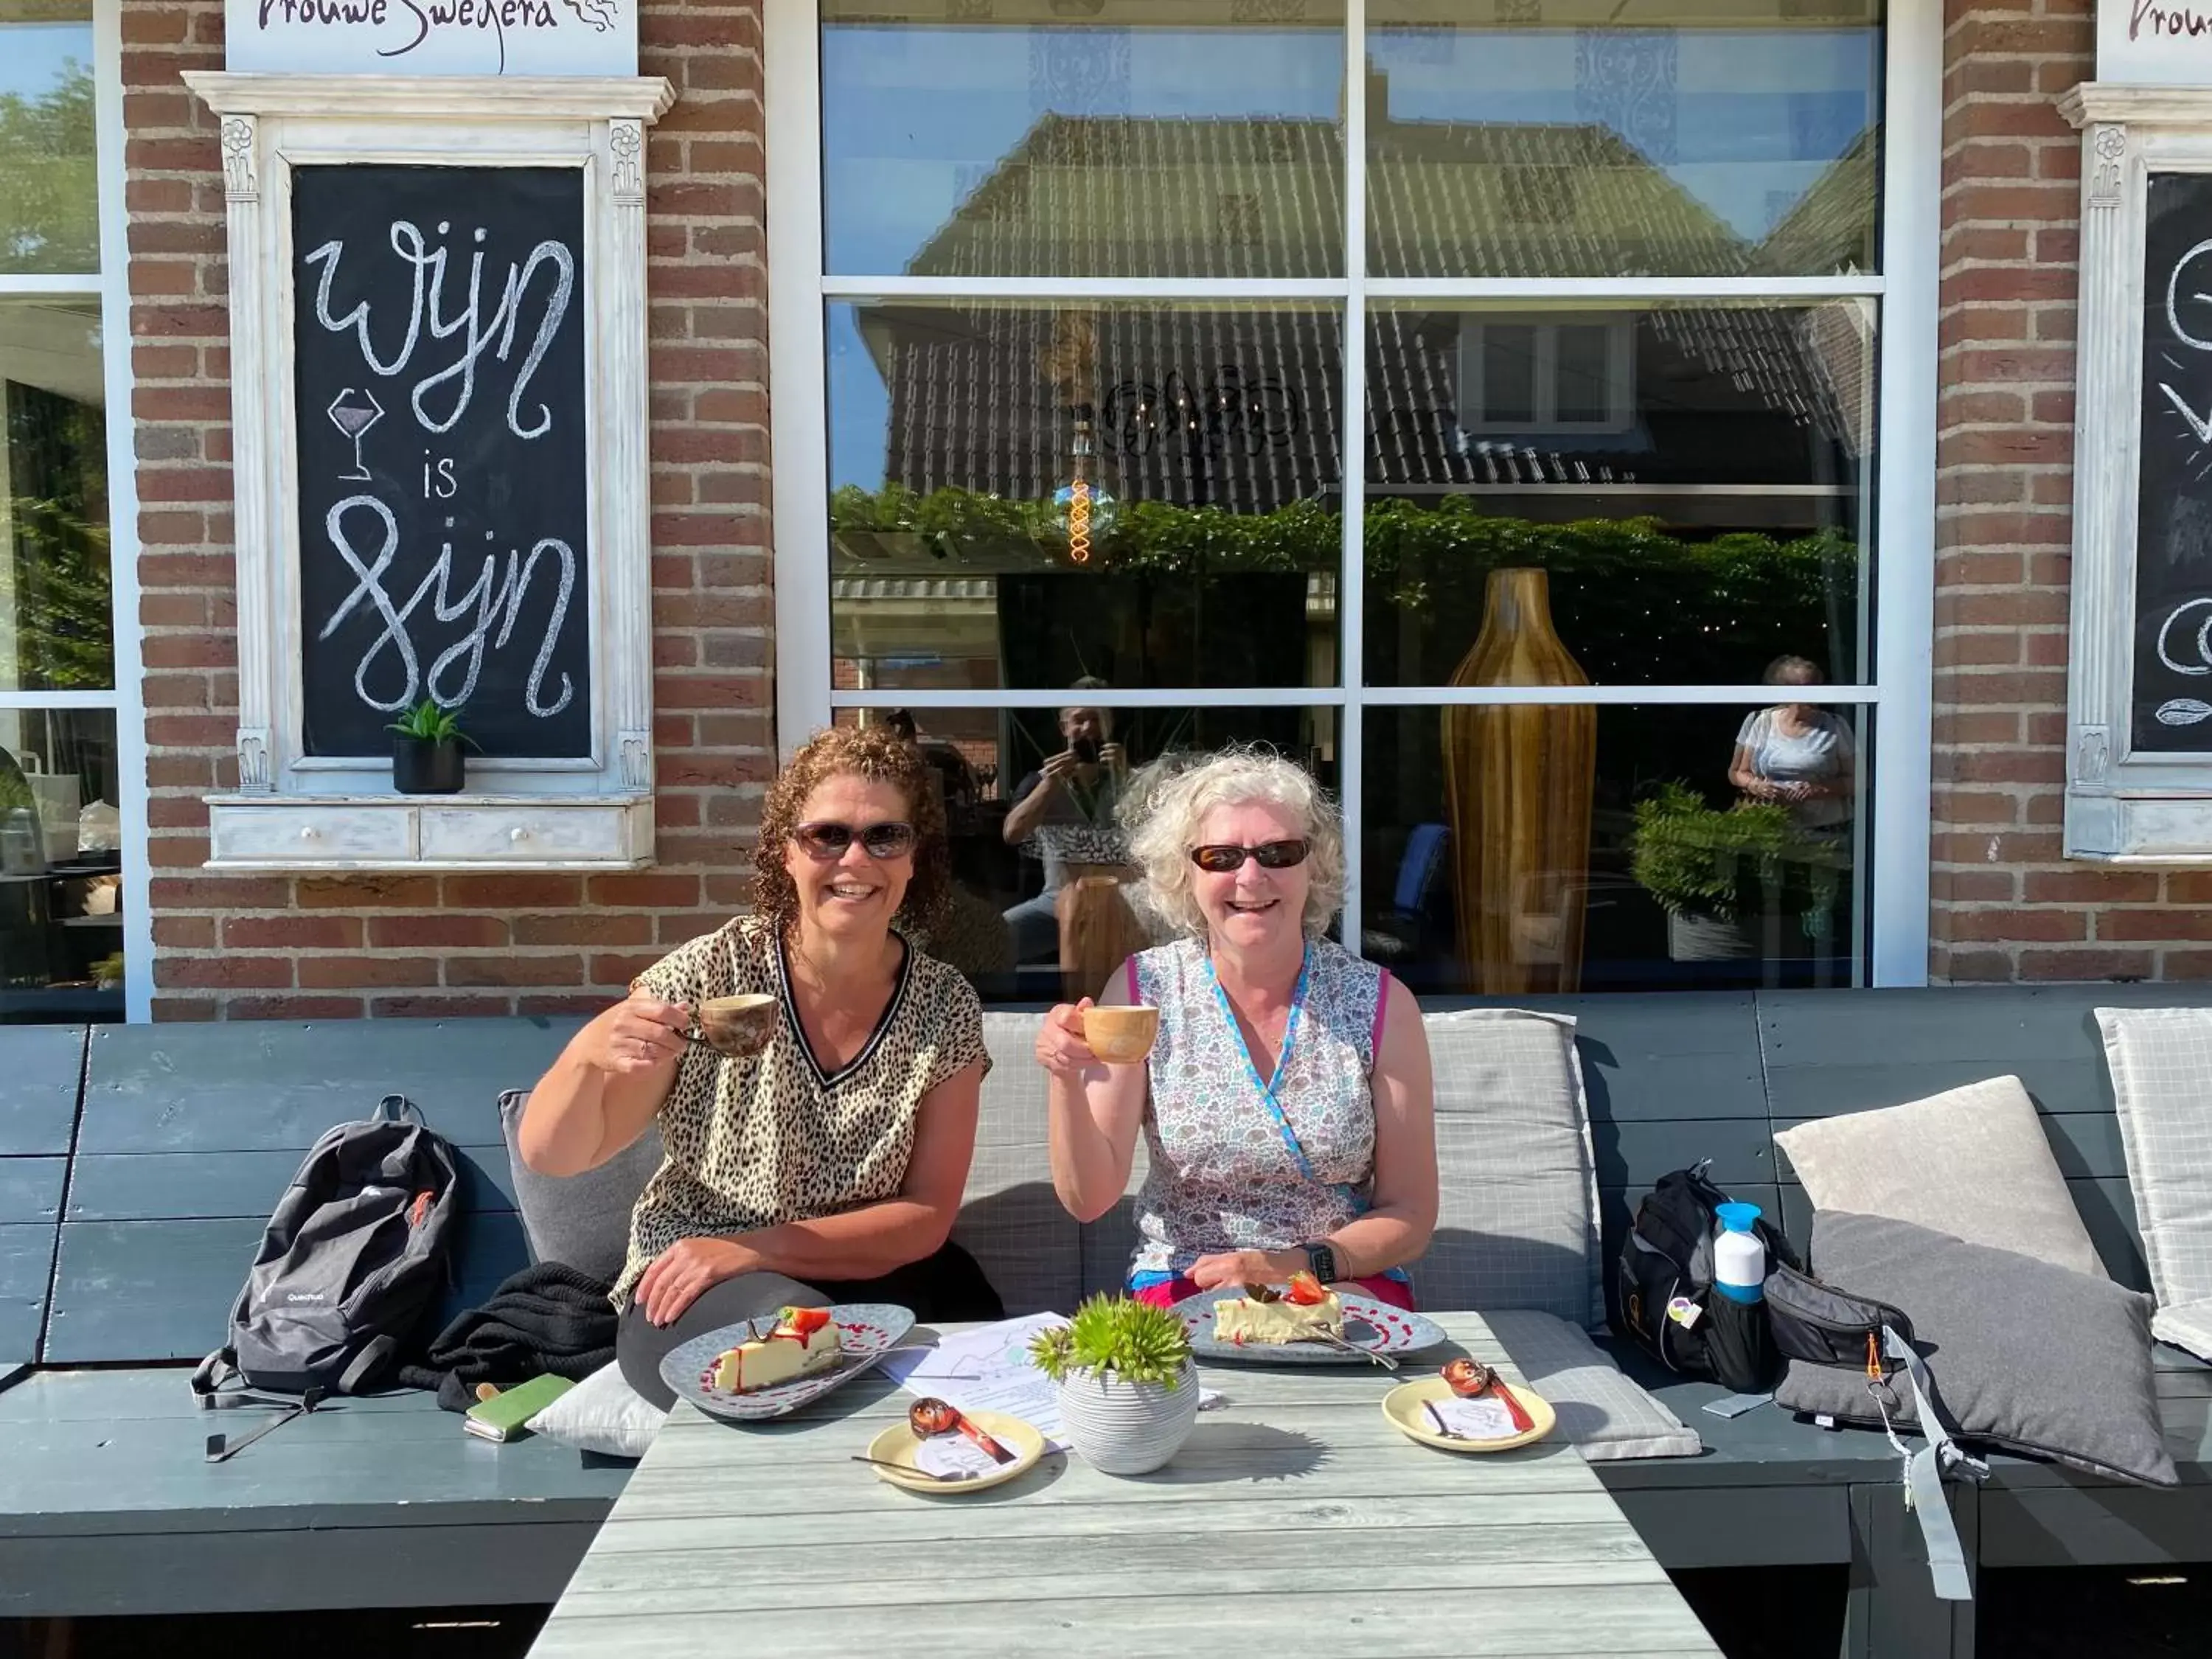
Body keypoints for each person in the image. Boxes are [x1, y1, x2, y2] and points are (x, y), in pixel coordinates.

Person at [517, 726, 1003, 1409]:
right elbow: (556, 1154)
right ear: (787, 854)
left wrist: (759, 1246)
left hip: (862, 1265)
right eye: (827, 835)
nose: (855, 859)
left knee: (996, 1371)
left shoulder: (945, 1003)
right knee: (795, 1348)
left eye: (883, 836)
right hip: (698, 1278)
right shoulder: (709, 974)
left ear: (914, 858)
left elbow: (924, 1216)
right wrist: (588, 1054)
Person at [1032, 747, 1439, 1310]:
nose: (1251, 876)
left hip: (1336, 1282)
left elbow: (1411, 1215)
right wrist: (1063, 1078)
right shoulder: (1143, 991)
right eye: (1219, 856)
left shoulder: (1381, 1003)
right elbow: (1088, 1198)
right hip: (1185, 1283)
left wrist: (1295, 1265)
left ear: (1313, 866)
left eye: (1278, 852)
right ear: (1185, 874)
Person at [1000, 681, 1130, 965]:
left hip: (1121, 903)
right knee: (994, 939)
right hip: (1056, 903)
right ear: (1064, 729)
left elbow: (1154, 829)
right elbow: (1012, 833)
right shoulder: (1041, 780)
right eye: (1079, 720)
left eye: (1097, 719)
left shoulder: (1130, 777)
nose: (1088, 728)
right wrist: (1050, 785)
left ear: (1110, 724)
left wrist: (1128, 777)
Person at [1729, 655, 1857, 834]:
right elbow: (1737, 772)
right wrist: (1756, 786)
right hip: (1768, 826)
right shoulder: (1761, 721)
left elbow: (1857, 780)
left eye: (1817, 686)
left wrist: (1817, 790)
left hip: (1823, 830)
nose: (1814, 694)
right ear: (1786, 691)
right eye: (1806, 688)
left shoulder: (1835, 726)